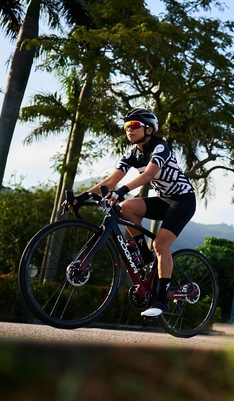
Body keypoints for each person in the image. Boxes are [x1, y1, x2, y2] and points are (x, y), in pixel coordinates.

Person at [67, 108, 196, 318]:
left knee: (161, 245)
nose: (129, 130)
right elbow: (110, 181)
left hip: (183, 201)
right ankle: (144, 256)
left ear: (149, 129)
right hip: (163, 200)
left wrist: (122, 191)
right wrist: (81, 197)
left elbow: (150, 174)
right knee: (125, 207)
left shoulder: (160, 148)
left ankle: (162, 301)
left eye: (134, 125)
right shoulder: (132, 154)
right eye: (126, 126)